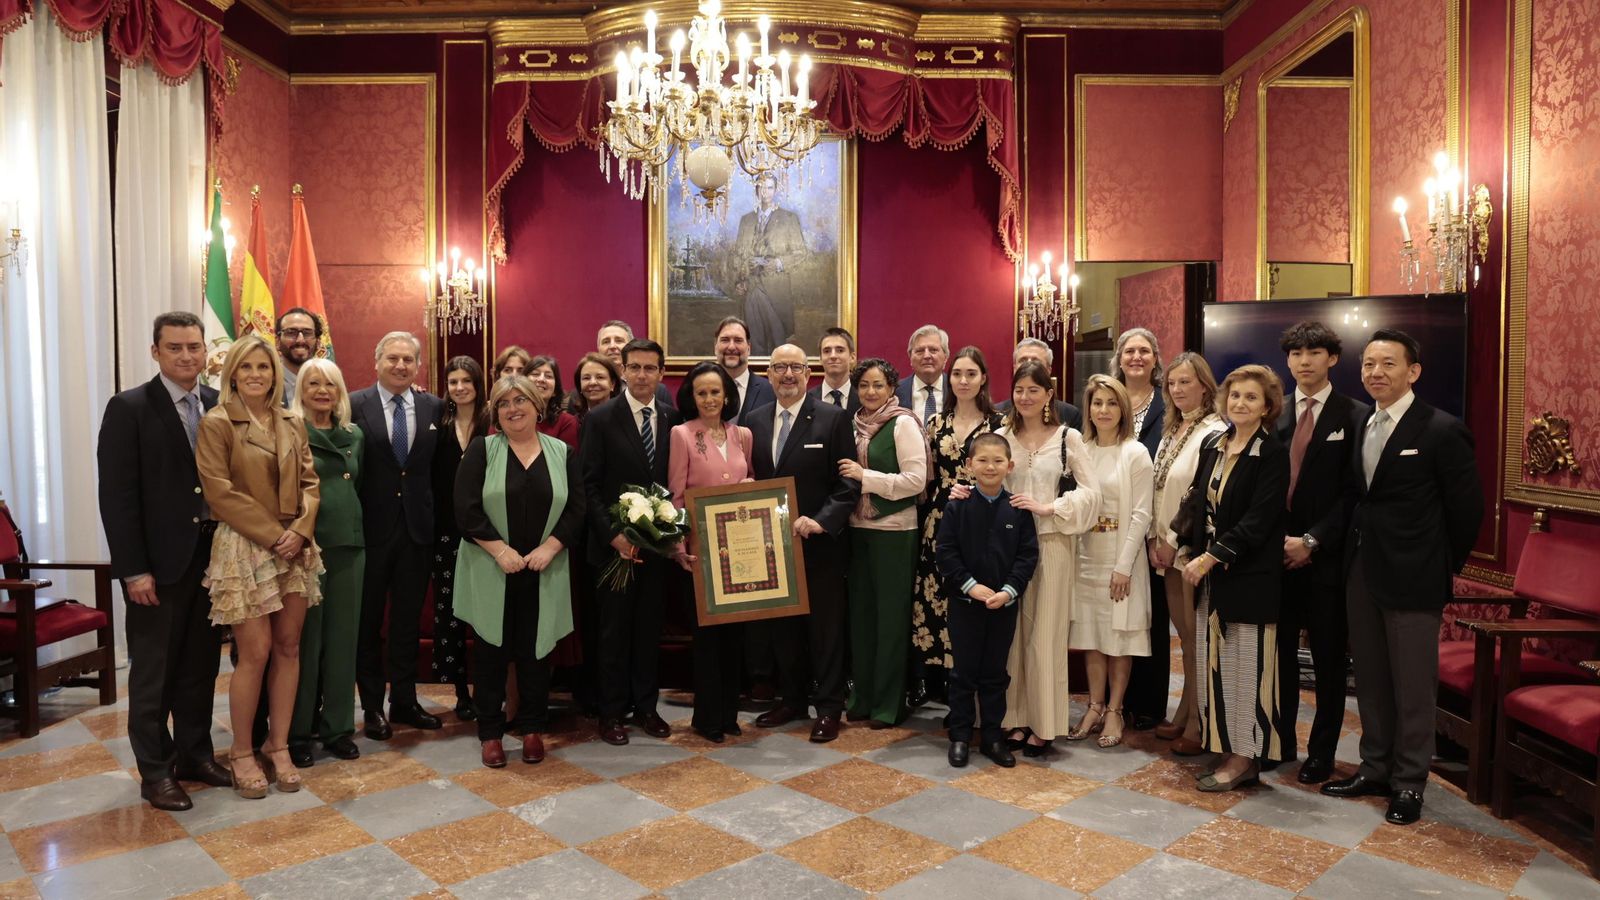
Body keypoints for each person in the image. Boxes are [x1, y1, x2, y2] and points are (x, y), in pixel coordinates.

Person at [1321, 330, 1482, 826]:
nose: (1376, 372)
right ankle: (1374, 768)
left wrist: (1438, 566)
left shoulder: (1441, 429)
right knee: (1370, 678)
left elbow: (1467, 512)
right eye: (1369, 363)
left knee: (1413, 685)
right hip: (1362, 569)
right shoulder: (1362, 422)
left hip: (1415, 577)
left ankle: (1410, 781)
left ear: (1413, 371)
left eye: (1388, 363)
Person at [97, 312, 233, 811]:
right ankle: (155, 772)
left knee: (200, 666)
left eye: (194, 347)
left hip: (212, 561)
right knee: (153, 674)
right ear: (155, 352)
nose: (186, 356)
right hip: (156, 566)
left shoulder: (219, 404)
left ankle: (195, 755)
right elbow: (117, 498)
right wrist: (133, 570)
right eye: (174, 347)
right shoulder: (129, 407)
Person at [195, 335, 322, 799]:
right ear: (232, 374)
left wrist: (301, 530)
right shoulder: (217, 422)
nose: (255, 375)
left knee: (288, 646)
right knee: (255, 652)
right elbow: (219, 492)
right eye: (246, 367)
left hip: (295, 545)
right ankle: (242, 752)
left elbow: (310, 482)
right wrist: (274, 535)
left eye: (263, 367)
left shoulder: (291, 421)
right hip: (246, 545)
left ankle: (278, 745)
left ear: (274, 374)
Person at [453, 375, 584, 768]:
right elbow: (465, 508)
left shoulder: (562, 453)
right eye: (504, 403)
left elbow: (577, 509)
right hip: (492, 568)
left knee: (536, 653)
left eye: (520, 400)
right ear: (495, 412)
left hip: (544, 569)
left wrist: (550, 547)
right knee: (490, 654)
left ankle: (532, 729)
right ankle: (490, 733)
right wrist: (500, 551)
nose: (513, 409)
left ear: (536, 406)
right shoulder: (482, 449)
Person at [1180, 364, 1290, 792]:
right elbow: (1197, 501)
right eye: (1235, 395)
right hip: (1211, 576)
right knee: (1215, 665)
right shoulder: (1214, 443)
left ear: (1267, 406)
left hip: (1249, 577)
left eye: (1251, 397)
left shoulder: (1272, 452)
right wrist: (1187, 545)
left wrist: (1211, 557)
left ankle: (1245, 759)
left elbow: (1260, 519)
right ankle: (1227, 747)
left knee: (1247, 668)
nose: (1240, 403)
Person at [744, 344, 861, 742]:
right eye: (780, 367)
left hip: (820, 544)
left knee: (825, 630)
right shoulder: (754, 420)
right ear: (769, 375)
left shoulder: (832, 418)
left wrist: (821, 521)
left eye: (796, 366)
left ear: (809, 375)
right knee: (784, 628)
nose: (788, 374)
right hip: (773, 547)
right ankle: (791, 700)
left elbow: (847, 485)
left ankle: (828, 708)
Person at [1275, 322, 1369, 784]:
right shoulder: (1273, 411)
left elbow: (1355, 492)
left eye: (1314, 352)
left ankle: (1322, 752)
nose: (1304, 361)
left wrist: (1311, 541)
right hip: (1276, 555)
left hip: (1327, 558)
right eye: (1296, 353)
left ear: (1332, 358)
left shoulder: (1356, 416)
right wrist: (1279, 540)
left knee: (1329, 660)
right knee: (1280, 657)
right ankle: (1280, 742)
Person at [991, 360, 1099, 756]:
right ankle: (1015, 718)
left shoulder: (1069, 438)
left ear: (1049, 394)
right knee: (1011, 636)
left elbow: (1092, 494)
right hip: (1008, 546)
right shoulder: (1001, 436)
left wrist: (1049, 507)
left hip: (1052, 542)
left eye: (1033, 390)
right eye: (1019, 390)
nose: (1025, 397)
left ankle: (1045, 723)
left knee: (1046, 636)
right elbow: (986, 480)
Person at [580, 338, 682, 745]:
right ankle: (610, 713)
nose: (642, 375)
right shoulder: (601, 418)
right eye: (634, 367)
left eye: (650, 368)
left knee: (648, 631)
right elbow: (587, 485)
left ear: (661, 373)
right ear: (622, 371)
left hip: (655, 548)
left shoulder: (673, 419)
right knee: (613, 633)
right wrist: (614, 536)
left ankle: (646, 708)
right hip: (613, 550)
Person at [350, 332, 445, 739]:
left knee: (407, 622)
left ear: (418, 365)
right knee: (368, 623)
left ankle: (404, 701)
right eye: (392, 358)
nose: (400, 365)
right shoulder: (353, 404)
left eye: (408, 359)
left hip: (417, 531)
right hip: (370, 531)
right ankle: (372, 707)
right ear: (377, 361)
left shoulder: (433, 406)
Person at [936, 432, 1039, 769]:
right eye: (982, 460)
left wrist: (1009, 591)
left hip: (1002, 606)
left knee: (995, 673)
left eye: (997, 461)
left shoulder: (1018, 510)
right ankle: (961, 735)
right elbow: (946, 552)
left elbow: (1027, 556)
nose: (990, 467)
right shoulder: (958, 505)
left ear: (1010, 466)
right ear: (969, 465)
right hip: (965, 604)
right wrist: (970, 586)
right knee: (963, 673)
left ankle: (993, 736)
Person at [841, 358, 931, 729]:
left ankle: (888, 705)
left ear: (892, 388)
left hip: (895, 531)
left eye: (878, 384)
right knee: (861, 619)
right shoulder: (852, 424)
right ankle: (862, 698)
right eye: (864, 385)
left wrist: (866, 477)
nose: (871, 391)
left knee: (891, 621)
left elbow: (916, 481)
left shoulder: (903, 423)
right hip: (857, 530)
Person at [1065, 374, 1154, 750]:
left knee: (1119, 638)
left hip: (1121, 557)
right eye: (1097, 403)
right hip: (1086, 555)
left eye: (1112, 403)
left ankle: (1115, 710)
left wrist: (1123, 566)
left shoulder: (1135, 452)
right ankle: (1094, 706)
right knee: (1092, 637)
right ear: (1088, 409)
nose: (1103, 410)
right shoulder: (1080, 449)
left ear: (1123, 409)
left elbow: (1142, 514)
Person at [1146, 352, 1227, 756]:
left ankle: (1199, 720)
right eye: (1172, 383)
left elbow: (1198, 497)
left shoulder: (1214, 430)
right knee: (1184, 637)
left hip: (1189, 548)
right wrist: (1153, 538)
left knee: (1196, 638)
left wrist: (1171, 541)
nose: (1178, 389)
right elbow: (1160, 489)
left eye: (1186, 382)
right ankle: (1185, 709)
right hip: (1164, 545)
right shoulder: (1172, 428)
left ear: (1205, 386)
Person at [668, 362, 754, 742]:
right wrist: (679, 547)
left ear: (726, 395)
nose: (709, 399)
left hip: (738, 554)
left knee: (734, 637)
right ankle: (707, 719)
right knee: (707, 640)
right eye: (701, 393)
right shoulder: (682, 434)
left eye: (715, 391)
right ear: (692, 397)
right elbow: (676, 496)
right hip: (700, 553)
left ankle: (729, 715)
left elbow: (750, 482)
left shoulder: (743, 435)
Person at [287, 359, 365, 767]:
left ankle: (337, 728)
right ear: (300, 390)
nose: (322, 391)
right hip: (306, 547)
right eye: (313, 383)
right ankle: (298, 732)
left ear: (339, 392)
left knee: (341, 641)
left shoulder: (354, 435)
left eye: (330, 384)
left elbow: (358, 487)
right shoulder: (290, 431)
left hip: (348, 545)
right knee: (304, 642)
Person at [911, 347, 1002, 696]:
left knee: (973, 599)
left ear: (983, 379)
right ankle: (940, 684)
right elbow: (926, 477)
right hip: (941, 519)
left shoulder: (999, 424)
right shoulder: (935, 423)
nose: (964, 381)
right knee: (938, 597)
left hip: (983, 519)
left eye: (971, 374)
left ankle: (972, 689)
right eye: (958, 374)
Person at [1114, 327, 1170, 734]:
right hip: (1110, 522)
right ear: (1118, 358)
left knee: (1152, 614)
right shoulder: (1107, 397)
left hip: (1152, 522)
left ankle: (1148, 703)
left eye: (1144, 351)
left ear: (1155, 358)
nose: (1136, 357)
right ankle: (1114, 701)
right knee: (1116, 613)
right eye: (1129, 351)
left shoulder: (1168, 403)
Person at [431, 356, 490, 722]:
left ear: (477, 383)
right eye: (453, 381)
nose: (460, 387)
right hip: (445, 533)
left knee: (484, 615)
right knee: (450, 615)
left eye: (466, 381)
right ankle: (459, 691)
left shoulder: (492, 421)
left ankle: (485, 689)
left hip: (486, 533)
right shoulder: (438, 424)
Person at [731, 171, 809, 353]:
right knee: (753, 342)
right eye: (761, 188)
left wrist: (779, 263)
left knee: (778, 342)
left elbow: (800, 253)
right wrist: (740, 280)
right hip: (751, 288)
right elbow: (738, 255)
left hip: (776, 290)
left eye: (769, 188)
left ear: (775, 190)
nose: (765, 192)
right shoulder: (746, 220)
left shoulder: (789, 218)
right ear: (755, 190)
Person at [994, 338, 1083, 430]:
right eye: (1023, 360)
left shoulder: (1070, 415)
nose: (1028, 365)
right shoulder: (996, 414)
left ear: (1048, 370)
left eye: (1035, 361)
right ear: (1014, 368)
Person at [713, 316, 776, 423]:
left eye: (738, 340)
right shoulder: (700, 390)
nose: (731, 347)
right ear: (715, 347)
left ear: (749, 348)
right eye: (725, 340)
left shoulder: (771, 391)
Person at [596, 320, 673, 406]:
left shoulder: (659, 391)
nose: (612, 346)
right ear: (598, 348)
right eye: (606, 342)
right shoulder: (590, 386)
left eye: (619, 341)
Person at [894, 324, 949, 426]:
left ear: (945, 357)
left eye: (933, 350)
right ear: (910, 357)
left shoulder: (956, 389)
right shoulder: (894, 391)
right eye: (919, 351)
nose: (926, 356)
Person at [527, 354, 580, 446]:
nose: (541, 379)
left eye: (548, 376)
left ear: (555, 391)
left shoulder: (566, 423)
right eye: (535, 374)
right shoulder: (512, 417)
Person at [275, 308, 322, 408]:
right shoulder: (266, 385)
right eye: (291, 333)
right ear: (277, 341)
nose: (300, 340)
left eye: (307, 333)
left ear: (318, 342)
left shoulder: (329, 384)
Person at [807, 326, 860, 413]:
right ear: (820, 358)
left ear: (852, 357)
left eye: (840, 350)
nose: (833, 356)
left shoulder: (864, 397)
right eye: (827, 351)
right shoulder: (807, 400)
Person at [565, 352, 622, 423]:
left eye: (600, 377)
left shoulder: (625, 418)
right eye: (586, 378)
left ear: (612, 384)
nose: (592, 382)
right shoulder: (572, 424)